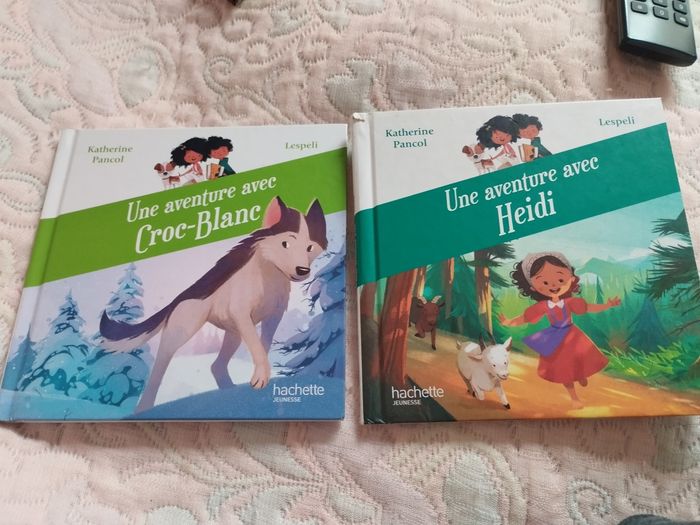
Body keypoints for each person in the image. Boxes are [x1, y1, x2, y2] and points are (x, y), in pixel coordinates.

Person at [498, 251, 621, 409]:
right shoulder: (543, 306)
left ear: (571, 278)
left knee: (581, 357)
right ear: (533, 287)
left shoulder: (570, 302)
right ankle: (574, 398)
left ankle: (580, 374)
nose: (553, 286)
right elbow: (525, 317)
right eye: (544, 283)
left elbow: (588, 307)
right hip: (556, 339)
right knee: (563, 369)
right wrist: (509, 322)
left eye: (560, 279)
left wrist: (607, 305)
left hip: (573, 335)